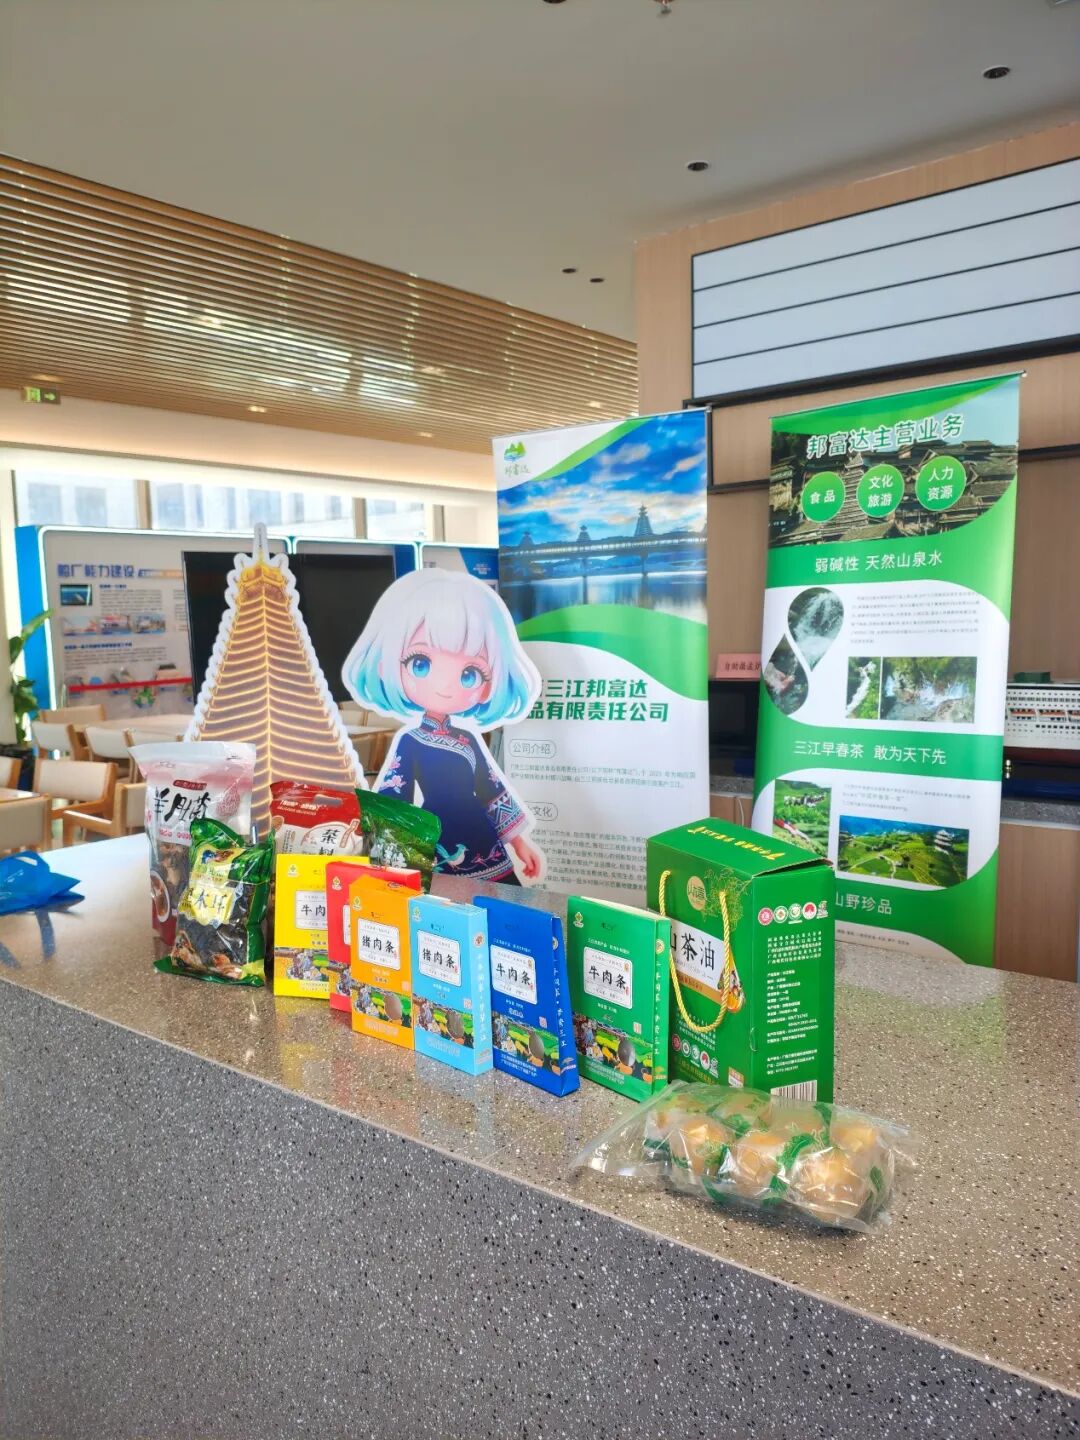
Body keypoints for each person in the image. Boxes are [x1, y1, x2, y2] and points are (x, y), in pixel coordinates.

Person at [344, 570, 544, 885]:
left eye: (470, 674)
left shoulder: (467, 739)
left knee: (501, 900)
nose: (445, 686)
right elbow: (396, 799)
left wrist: (520, 843)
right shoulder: (410, 741)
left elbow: (492, 791)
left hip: (482, 835)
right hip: (436, 837)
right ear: (388, 666)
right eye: (420, 664)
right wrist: (384, 852)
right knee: (443, 906)